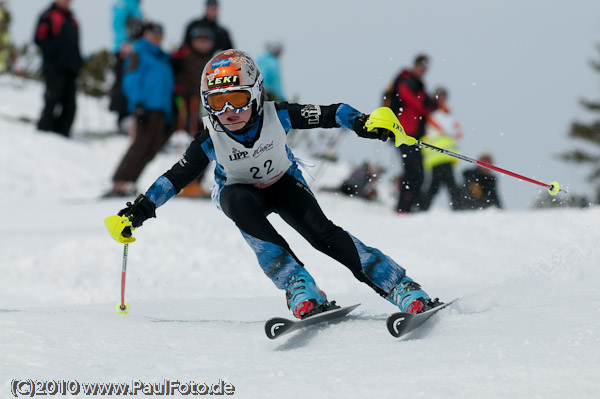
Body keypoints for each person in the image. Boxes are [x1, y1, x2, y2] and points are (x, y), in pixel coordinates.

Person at [108, 49, 440, 320]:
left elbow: (332, 112)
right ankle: (298, 285)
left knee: (323, 235)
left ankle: (400, 286)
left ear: (254, 94)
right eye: (218, 102)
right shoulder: (210, 138)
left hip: (283, 183)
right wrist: (139, 210)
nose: (229, 111)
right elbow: (174, 178)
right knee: (241, 207)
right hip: (240, 194)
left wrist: (365, 124)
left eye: (237, 99)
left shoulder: (277, 114)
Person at [105, 22, 174, 197]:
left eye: (159, 34)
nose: (156, 37)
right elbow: (131, 78)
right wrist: (137, 103)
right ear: (145, 35)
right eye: (152, 33)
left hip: (161, 110)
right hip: (146, 107)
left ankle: (130, 181)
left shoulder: (163, 58)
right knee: (140, 144)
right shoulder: (138, 53)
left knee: (153, 147)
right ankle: (119, 180)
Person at [170, 26, 216, 197]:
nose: (202, 42)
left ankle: (196, 182)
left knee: (208, 141)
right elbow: (174, 74)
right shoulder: (184, 55)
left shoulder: (212, 60)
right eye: (199, 39)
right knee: (195, 142)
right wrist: (178, 91)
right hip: (187, 103)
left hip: (204, 107)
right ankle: (188, 182)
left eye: (206, 39)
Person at [387, 54, 436, 213]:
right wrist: (428, 105)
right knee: (412, 170)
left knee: (418, 172)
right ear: (415, 66)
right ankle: (403, 207)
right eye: (421, 67)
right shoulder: (404, 81)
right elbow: (417, 104)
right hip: (403, 133)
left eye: (425, 68)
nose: (423, 71)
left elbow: (423, 105)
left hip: (413, 135)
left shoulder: (417, 84)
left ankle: (409, 205)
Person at [33, 0, 82, 137]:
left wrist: (78, 62)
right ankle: (43, 131)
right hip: (54, 67)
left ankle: (62, 134)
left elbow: (76, 45)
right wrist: (55, 55)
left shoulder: (72, 20)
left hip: (70, 69)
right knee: (52, 99)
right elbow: (39, 38)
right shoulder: (48, 15)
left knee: (70, 105)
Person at [420, 88, 463, 211]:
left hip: (446, 156)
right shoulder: (431, 114)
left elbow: (457, 133)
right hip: (436, 155)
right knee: (443, 185)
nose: (442, 100)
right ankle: (423, 207)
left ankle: (422, 207)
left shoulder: (446, 115)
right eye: (440, 97)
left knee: (443, 185)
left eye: (444, 97)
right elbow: (448, 131)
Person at [110, 0, 144, 132]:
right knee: (123, 84)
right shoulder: (123, 5)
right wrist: (124, 43)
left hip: (134, 51)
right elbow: (118, 26)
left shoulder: (136, 7)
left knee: (133, 84)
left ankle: (130, 117)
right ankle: (122, 118)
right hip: (124, 51)